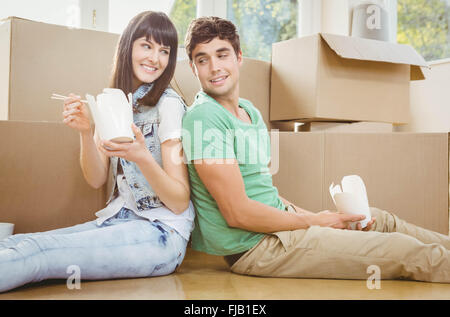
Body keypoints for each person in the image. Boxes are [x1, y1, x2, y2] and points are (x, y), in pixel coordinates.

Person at [181, 16, 450, 283]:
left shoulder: (248, 111)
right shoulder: (204, 117)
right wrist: (317, 222)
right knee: (404, 251)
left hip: (280, 229)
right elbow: (238, 213)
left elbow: (264, 192)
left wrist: (324, 217)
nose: (214, 67)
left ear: (239, 57)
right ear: (194, 69)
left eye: (222, 54)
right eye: (203, 60)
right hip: (258, 248)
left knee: (379, 220)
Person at [0, 11, 194, 293]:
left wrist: (141, 156)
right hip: (117, 220)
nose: (155, 58)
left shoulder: (169, 105)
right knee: (16, 243)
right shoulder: (112, 101)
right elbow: (95, 179)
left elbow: (178, 201)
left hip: (162, 234)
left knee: (35, 252)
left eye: (164, 51)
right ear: (128, 46)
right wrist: (85, 132)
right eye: (147, 45)